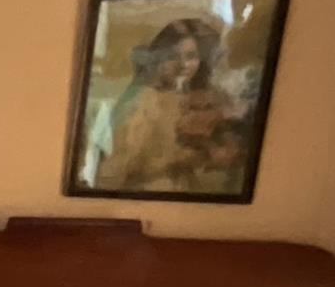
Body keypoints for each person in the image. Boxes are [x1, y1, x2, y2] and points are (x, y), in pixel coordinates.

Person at [86, 15, 234, 193]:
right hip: (146, 195)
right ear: (157, 59)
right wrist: (192, 157)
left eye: (191, 56)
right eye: (172, 56)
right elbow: (121, 166)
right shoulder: (143, 99)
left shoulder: (198, 97)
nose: (183, 65)